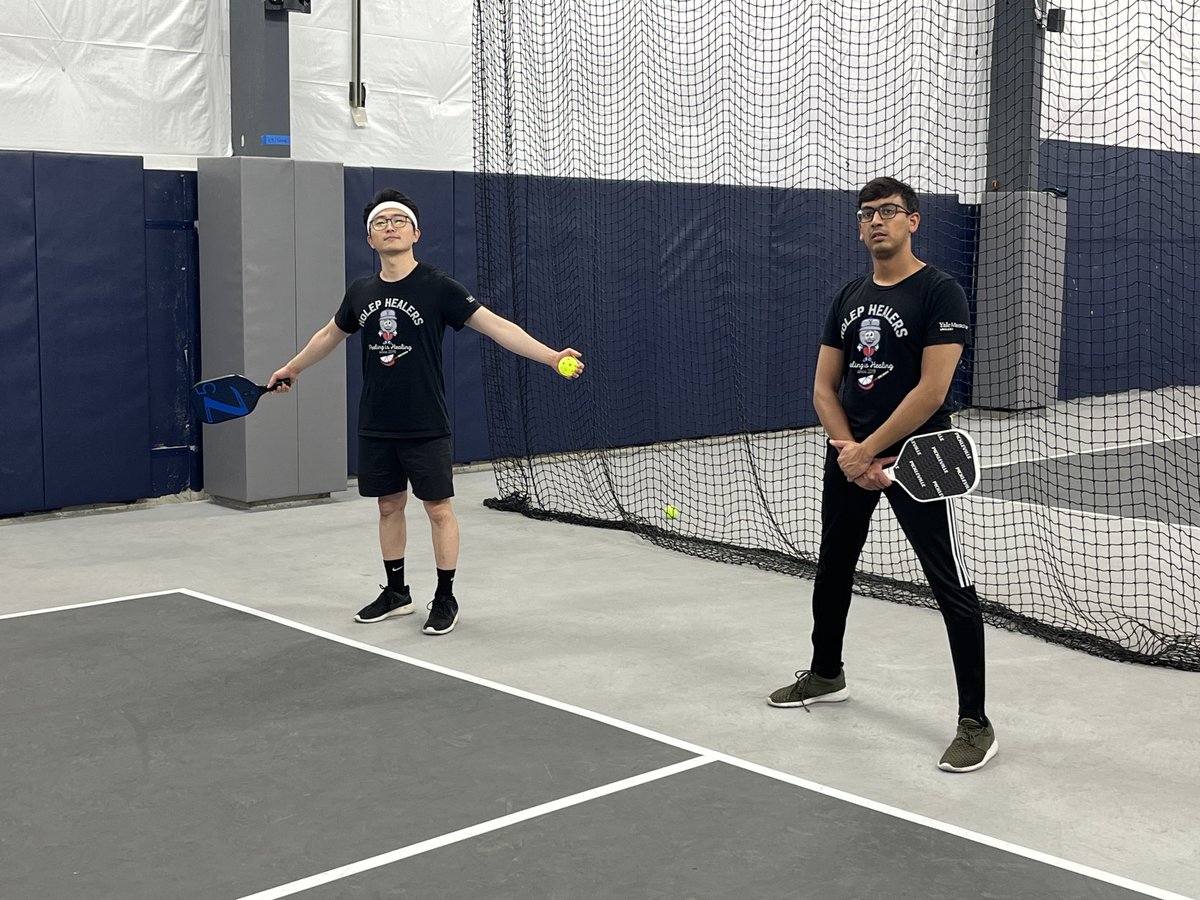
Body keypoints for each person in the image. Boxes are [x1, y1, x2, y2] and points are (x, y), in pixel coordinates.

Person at [269, 189, 583, 636]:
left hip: (426, 422)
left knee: (438, 509)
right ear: (370, 239)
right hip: (376, 422)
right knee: (387, 505)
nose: (390, 226)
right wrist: (293, 368)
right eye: (381, 223)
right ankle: (397, 594)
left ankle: (445, 596)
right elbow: (328, 335)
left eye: (399, 220)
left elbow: (496, 326)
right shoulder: (361, 292)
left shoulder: (439, 288)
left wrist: (551, 356)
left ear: (415, 233)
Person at [767, 176, 996, 773]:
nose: (876, 221)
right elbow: (823, 387)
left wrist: (868, 451)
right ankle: (826, 673)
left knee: (948, 582)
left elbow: (933, 390)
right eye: (867, 213)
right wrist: (850, 450)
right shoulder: (848, 296)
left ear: (913, 220)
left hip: (920, 460)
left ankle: (975, 722)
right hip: (852, 454)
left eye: (889, 212)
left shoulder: (940, 292)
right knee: (834, 565)